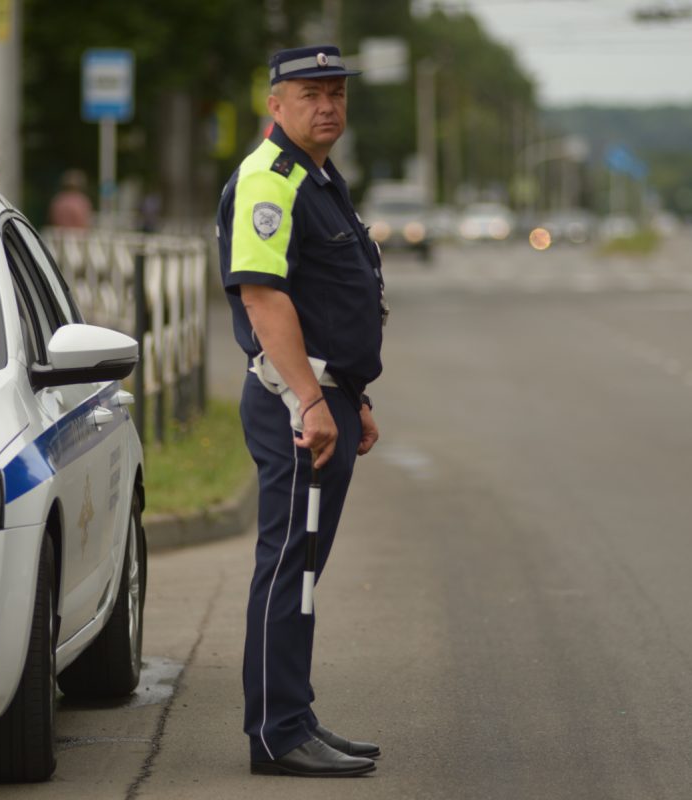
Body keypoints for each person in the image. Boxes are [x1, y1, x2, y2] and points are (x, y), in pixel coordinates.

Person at [216, 44, 388, 778]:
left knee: (305, 567)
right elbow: (263, 296)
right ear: (275, 104)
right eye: (311, 93)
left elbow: (324, 291)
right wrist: (315, 399)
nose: (328, 105)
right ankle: (276, 733)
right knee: (290, 564)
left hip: (325, 397)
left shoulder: (317, 177)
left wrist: (355, 394)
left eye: (337, 93)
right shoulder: (269, 176)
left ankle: (295, 713)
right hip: (298, 404)